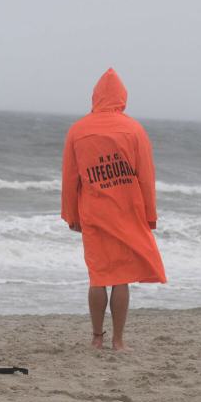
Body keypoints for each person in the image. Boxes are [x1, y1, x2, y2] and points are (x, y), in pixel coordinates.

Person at [61, 68, 166, 351]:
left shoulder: (78, 129)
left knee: (98, 276)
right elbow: (146, 175)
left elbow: (71, 178)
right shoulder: (134, 130)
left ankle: (97, 339)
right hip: (127, 212)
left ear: (95, 96)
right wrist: (150, 216)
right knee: (121, 278)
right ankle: (118, 341)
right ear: (122, 97)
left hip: (93, 212)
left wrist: (71, 215)